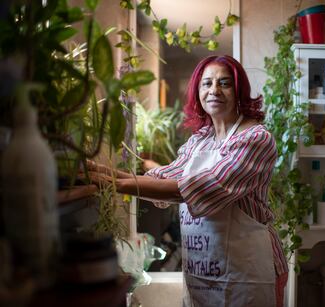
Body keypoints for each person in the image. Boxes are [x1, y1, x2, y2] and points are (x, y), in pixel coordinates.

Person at [85, 55, 288, 307]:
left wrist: (110, 184)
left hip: (249, 272)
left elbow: (198, 188)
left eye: (224, 83)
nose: (214, 90)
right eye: (207, 83)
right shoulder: (199, 141)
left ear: (239, 92)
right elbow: (161, 179)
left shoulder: (256, 139)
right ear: (197, 91)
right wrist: (100, 170)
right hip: (204, 275)